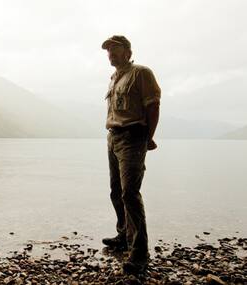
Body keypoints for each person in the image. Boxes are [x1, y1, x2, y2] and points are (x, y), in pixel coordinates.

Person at [101, 35, 161, 274]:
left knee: (130, 193)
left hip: (133, 136)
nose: (110, 54)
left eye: (115, 49)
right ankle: (123, 236)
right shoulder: (115, 77)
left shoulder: (141, 73)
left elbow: (153, 106)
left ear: (127, 51)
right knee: (116, 191)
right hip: (113, 137)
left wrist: (148, 137)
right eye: (108, 51)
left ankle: (139, 253)